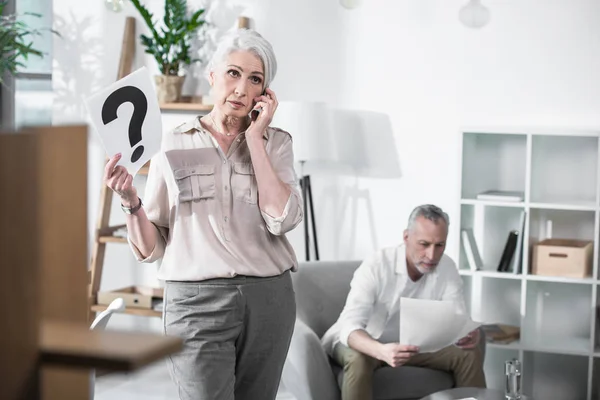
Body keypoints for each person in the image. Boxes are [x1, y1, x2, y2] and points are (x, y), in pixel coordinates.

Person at [103, 28, 303, 400]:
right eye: (233, 73)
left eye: (255, 79)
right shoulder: (171, 142)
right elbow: (153, 246)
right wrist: (130, 199)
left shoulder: (277, 144)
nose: (242, 88)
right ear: (212, 77)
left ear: (265, 93)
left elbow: (282, 218)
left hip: (269, 301)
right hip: (195, 303)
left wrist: (256, 139)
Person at [321, 204, 486, 400]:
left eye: (439, 245)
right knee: (358, 360)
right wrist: (381, 351)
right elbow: (350, 326)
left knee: (468, 354)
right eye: (424, 244)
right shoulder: (378, 265)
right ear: (406, 237)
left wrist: (465, 335)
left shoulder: (447, 267)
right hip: (368, 343)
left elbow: (457, 318)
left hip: (414, 346)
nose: (432, 255)